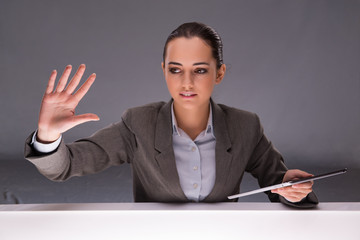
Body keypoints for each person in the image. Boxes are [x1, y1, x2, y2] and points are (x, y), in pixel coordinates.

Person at [24, 22, 318, 207]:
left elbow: (279, 183)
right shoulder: (137, 123)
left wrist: (292, 188)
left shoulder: (245, 126)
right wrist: (48, 136)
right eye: (175, 69)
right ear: (163, 71)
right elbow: (64, 166)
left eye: (200, 70)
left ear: (219, 73)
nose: (186, 83)